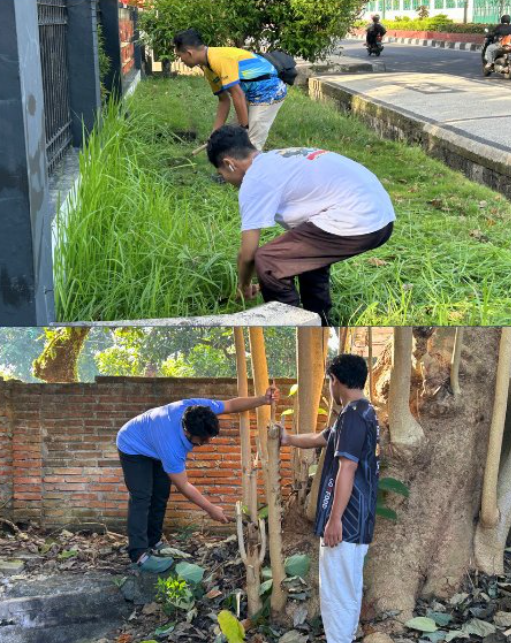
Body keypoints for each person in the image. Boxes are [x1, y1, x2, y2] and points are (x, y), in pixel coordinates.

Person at [206, 125, 396, 325]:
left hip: (360, 218)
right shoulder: (278, 158)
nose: (225, 180)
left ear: (229, 164)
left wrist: (243, 285)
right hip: (381, 214)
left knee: (270, 261)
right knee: (304, 256)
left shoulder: (254, 180)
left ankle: (293, 325)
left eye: (222, 174)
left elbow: (248, 254)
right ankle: (319, 321)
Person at [116, 386, 279, 574]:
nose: (205, 443)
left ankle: (153, 541)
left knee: (161, 494)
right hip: (133, 445)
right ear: (187, 433)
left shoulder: (198, 408)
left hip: (153, 442)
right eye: (202, 440)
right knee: (142, 498)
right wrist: (211, 509)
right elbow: (184, 485)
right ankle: (139, 556)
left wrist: (262, 400)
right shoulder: (172, 446)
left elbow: (230, 404)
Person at [280, 354, 379, 643]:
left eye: (329, 382)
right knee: (346, 586)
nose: (329, 387)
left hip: (346, 522)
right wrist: (288, 439)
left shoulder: (352, 417)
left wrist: (335, 519)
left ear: (335, 381)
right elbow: (323, 437)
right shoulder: (363, 411)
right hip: (357, 517)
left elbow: (347, 468)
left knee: (338, 590)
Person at [173, 29, 287, 151]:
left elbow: (237, 94)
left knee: (251, 144)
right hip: (250, 94)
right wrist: (214, 133)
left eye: (180, 56)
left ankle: (253, 167)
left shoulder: (219, 59)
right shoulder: (207, 68)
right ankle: (232, 167)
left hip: (269, 90)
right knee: (232, 135)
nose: (181, 60)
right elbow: (223, 100)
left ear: (189, 53)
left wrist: (244, 128)